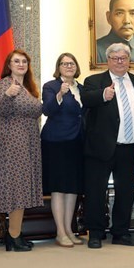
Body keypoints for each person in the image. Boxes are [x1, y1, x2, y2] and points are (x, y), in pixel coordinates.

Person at [82, 42, 134, 249]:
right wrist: (103, 95)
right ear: (108, 60)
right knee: (95, 191)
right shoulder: (94, 80)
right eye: (115, 58)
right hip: (100, 147)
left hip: (129, 147)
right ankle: (95, 232)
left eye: (124, 58)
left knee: (126, 192)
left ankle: (120, 232)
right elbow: (86, 99)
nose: (120, 61)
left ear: (129, 61)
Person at [0, 49, 43, 252]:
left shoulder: (29, 86)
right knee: (16, 187)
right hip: (11, 141)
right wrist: (7, 96)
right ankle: (13, 235)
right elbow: (0, 109)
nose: (21, 64)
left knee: (21, 186)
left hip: (29, 140)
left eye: (24, 61)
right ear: (9, 65)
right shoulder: (4, 84)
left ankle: (15, 233)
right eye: (16, 61)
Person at [41, 52, 86, 248]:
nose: (68, 66)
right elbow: (47, 110)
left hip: (77, 143)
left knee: (73, 188)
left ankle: (69, 229)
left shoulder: (82, 88)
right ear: (58, 67)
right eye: (64, 63)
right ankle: (60, 232)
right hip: (56, 142)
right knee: (59, 188)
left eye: (71, 63)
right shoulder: (50, 86)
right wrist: (59, 94)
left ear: (76, 67)